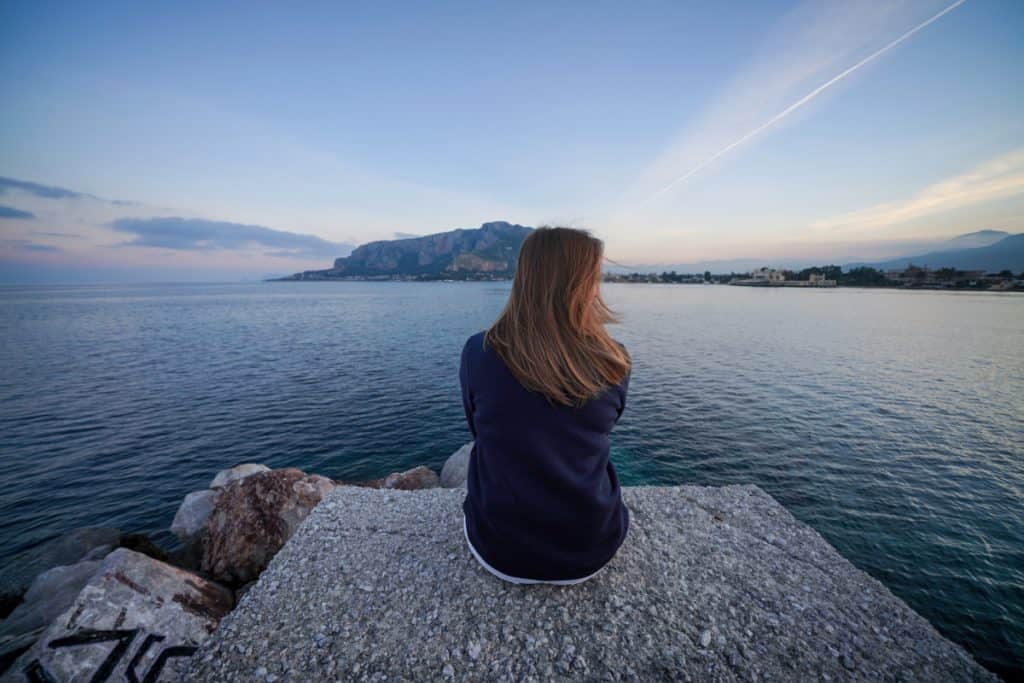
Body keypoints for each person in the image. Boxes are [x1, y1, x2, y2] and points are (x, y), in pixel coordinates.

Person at [459, 226, 632, 585]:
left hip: (498, 549)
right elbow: (604, 424)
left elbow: (477, 429)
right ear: (583, 284)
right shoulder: (615, 361)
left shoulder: (479, 352)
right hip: (590, 548)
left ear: (525, 277)